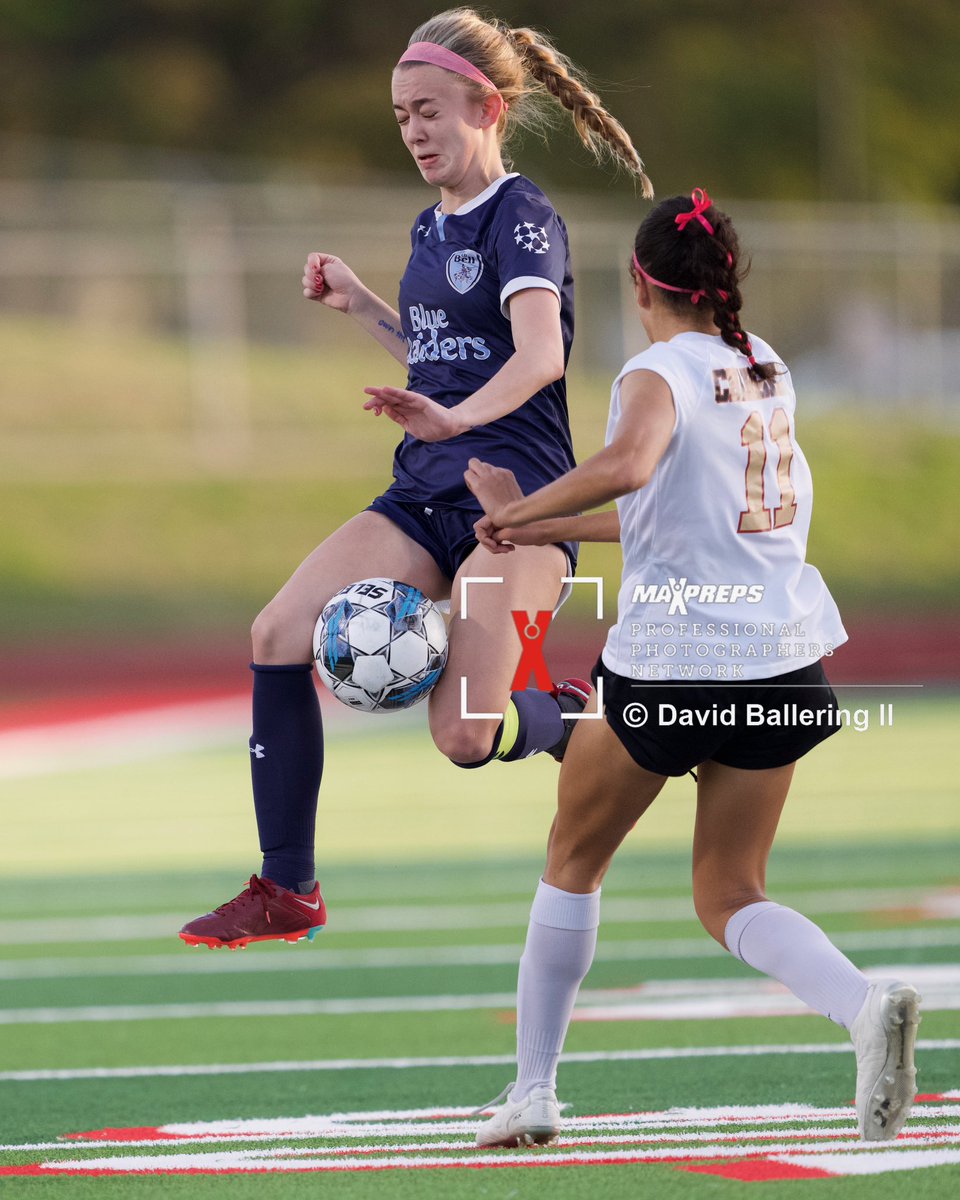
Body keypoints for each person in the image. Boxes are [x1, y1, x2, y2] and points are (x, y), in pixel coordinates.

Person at [179, 8, 653, 949]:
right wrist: (363, 307)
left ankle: (577, 710)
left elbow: (540, 356)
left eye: (429, 111)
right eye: (402, 117)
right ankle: (289, 887)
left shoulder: (524, 219)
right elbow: (440, 358)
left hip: (514, 511)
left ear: (488, 104)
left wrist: (461, 420)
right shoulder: (429, 227)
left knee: (465, 736)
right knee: (278, 632)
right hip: (418, 493)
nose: (414, 133)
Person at [464, 189, 921, 1147]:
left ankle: (535, 1090)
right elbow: (663, 506)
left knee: (573, 862)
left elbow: (630, 468)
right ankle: (861, 1006)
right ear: (726, 280)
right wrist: (537, 522)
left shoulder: (654, 369)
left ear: (639, 281)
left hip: (674, 663)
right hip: (782, 661)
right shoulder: (766, 365)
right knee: (731, 893)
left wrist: (515, 511)